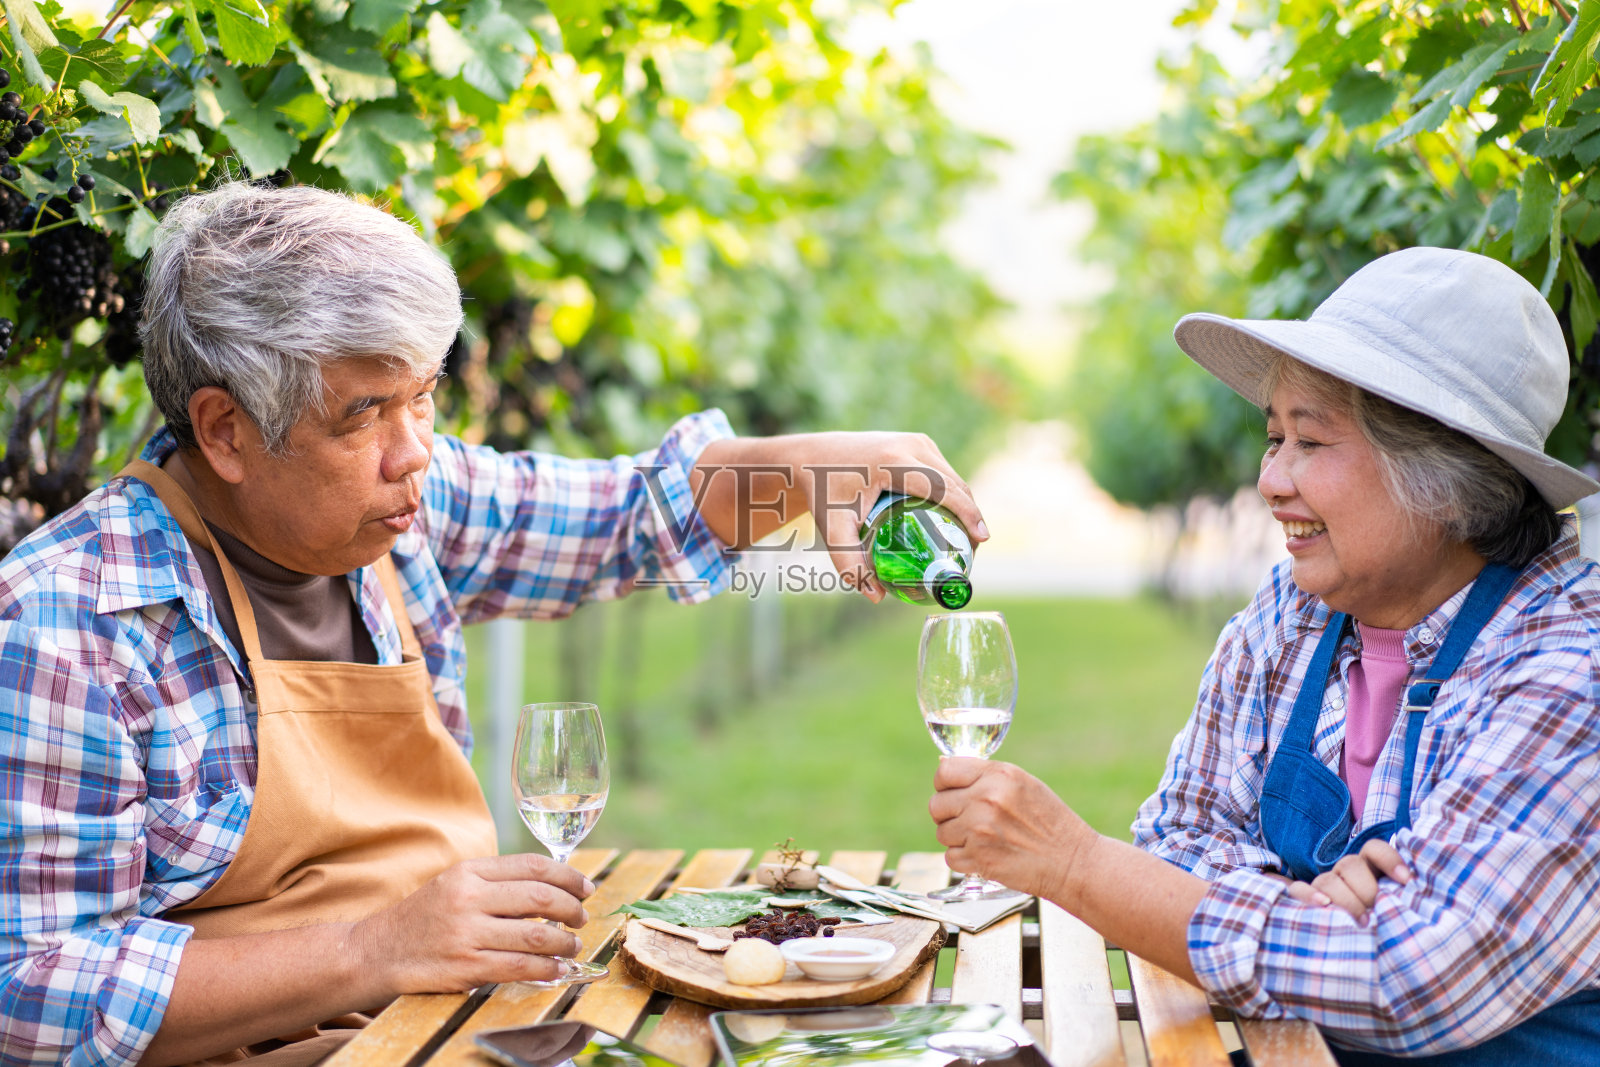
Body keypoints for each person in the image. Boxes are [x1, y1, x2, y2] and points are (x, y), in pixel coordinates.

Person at [0, 182, 988, 1066]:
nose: (415, 451)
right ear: (225, 430)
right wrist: (371, 946)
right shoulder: (70, 617)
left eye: (423, 398)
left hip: (458, 1025)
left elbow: (637, 514)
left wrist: (812, 465)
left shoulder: (406, 510)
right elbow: (29, 990)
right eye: (366, 414)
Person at [929, 247, 1600, 1063]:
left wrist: (1075, 863)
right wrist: (1315, 912)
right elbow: (1174, 837)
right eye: (1273, 436)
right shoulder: (1296, 611)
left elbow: (1407, 981)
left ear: (1444, 474)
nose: (1270, 479)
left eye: (1310, 442)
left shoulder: (1570, 661)